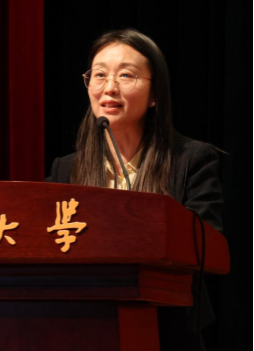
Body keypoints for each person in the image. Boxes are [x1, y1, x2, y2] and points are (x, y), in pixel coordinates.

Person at [45, 28, 224, 350]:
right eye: (99, 75)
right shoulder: (66, 169)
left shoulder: (191, 160)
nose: (109, 88)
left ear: (155, 95)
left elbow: (206, 244)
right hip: (82, 325)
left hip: (168, 327)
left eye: (126, 75)